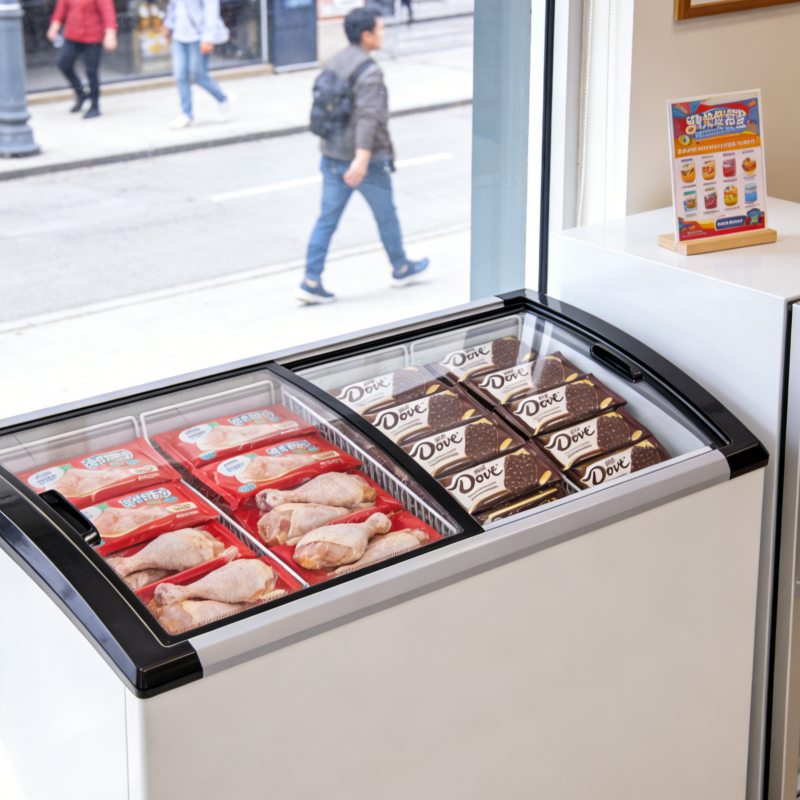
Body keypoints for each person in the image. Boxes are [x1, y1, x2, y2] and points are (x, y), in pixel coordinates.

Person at [298, 7, 428, 305]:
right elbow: (369, 117)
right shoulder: (370, 71)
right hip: (366, 162)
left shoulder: (336, 60)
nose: (383, 33)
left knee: (326, 219)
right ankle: (401, 268)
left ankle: (310, 280)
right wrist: (362, 158)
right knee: (386, 215)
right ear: (367, 35)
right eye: (380, 29)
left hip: (332, 155)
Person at [162, 0, 231, 130]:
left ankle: (223, 99)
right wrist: (168, 24)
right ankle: (187, 114)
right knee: (180, 75)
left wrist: (208, 38)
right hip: (178, 36)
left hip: (198, 36)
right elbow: (173, 5)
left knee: (198, 75)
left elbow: (211, 10)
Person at [47, 0, 118, 119]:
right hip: (72, 35)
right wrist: (54, 26)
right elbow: (62, 7)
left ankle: (95, 106)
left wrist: (110, 33)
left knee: (91, 71)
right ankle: (81, 94)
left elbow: (107, 12)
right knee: (64, 64)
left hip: (93, 36)